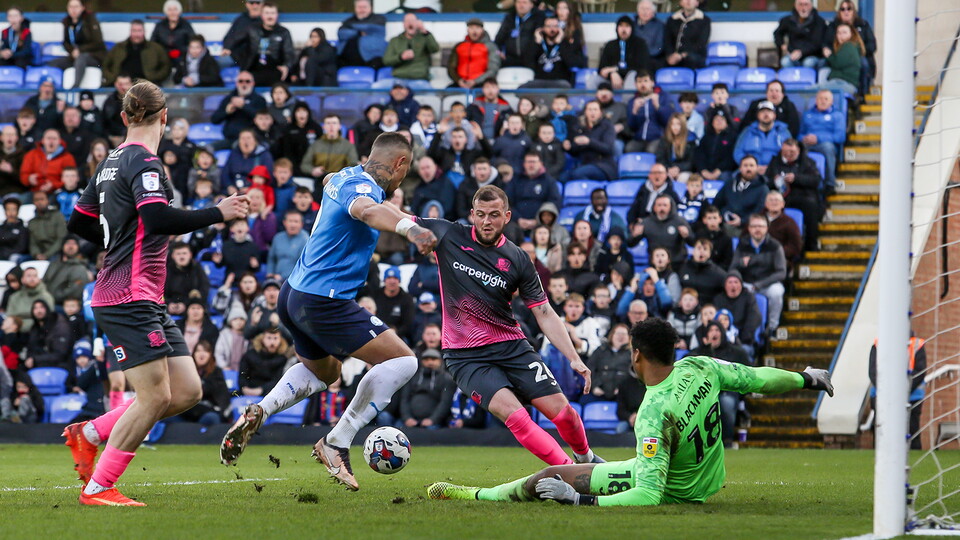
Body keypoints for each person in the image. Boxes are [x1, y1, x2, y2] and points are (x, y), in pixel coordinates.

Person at [59, 80, 250, 507]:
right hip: (127, 296)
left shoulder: (109, 162)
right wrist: (218, 212)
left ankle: (88, 434)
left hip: (143, 295)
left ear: (126, 117)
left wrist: (118, 240)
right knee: (155, 396)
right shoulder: (145, 164)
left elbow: (79, 223)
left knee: (185, 391)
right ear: (164, 117)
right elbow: (158, 218)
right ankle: (98, 487)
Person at [218, 132, 438, 492]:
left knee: (326, 372)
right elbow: (367, 210)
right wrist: (409, 229)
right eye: (406, 169)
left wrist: (406, 215)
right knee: (404, 361)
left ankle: (261, 411)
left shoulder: (343, 176)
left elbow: (331, 182)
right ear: (400, 164)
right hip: (325, 301)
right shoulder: (362, 192)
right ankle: (337, 441)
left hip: (292, 295)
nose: (403, 177)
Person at [429, 317, 834, 505]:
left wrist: (579, 501)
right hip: (703, 476)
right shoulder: (700, 366)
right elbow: (759, 379)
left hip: (677, 490)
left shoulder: (653, 411)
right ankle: (600, 467)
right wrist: (807, 378)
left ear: (637, 355)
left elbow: (649, 494)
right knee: (608, 468)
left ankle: (471, 493)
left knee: (548, 479)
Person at [415, 185, 602, 464]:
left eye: (493, 215)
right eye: (480, 215)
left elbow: (545, 313)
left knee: (564, 414)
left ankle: (586, 459)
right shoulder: (448, 234)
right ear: (472, 214)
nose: (486, 222)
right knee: (517, 417)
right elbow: (396, 216)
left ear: (507, 216)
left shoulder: (518, 259)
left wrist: (573, 357)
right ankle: (569, 472)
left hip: (511, 346)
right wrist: (356, 197)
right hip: (465, 356)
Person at [868, 335, 925, 450]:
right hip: (882, 395)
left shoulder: (917, 344)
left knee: (911, 429)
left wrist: (902, 391)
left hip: (911, 396)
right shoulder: (878, 343)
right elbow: (873, 371)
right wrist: (887, 391)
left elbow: (920, 370)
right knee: (882, 430)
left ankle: (913, 457)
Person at [765, 139, 822, 252]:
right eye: (785, 152)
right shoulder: (775, 162)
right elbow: (766, 182)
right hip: (780, 197)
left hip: (802, 196)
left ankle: (811, 244)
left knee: (811, 206)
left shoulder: (807, 162)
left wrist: (796, 178)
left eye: (792, 152)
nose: (788, 155)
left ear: (798, 150)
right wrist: (775, 181)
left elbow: (815, 180)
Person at [49, 0, 107, 90]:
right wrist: (72, 51)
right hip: (75, 56)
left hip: (94, 56)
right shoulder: (66, 22)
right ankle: (53, 88)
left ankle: (75, 87)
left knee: (82, 58)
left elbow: (98, 42)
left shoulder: (90, 20)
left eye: (76, 7)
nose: (73, 10)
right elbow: (65, 42)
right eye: (71, 7)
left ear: (82, 8)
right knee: (54, 63)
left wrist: (80, 50)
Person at [102, 20, 171, 86]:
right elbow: (105, 64)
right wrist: (113, 78)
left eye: (139, 31)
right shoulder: (119, 48)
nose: (137, 34)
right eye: (134, 31)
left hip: (145, 86)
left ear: (144, 32)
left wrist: (154, 78)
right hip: (120, 85)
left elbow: (166, 66)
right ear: (130, 31)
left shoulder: (156, 48)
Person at [399, 348, 455, 429]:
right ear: (421, 361)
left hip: (435, 422)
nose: (430, 362)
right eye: (426, 359)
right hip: (410, 421)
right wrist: (407, 418)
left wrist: (432, 420)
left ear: (440, 361)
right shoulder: (413, 377)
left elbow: (445, 403)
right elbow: (404, 399)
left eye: (433, 359)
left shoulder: (446, 379)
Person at [824, 0, 877, 87]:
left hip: (861, 56)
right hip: (837, 54)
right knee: (820, 63)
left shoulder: (863, 24)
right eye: (843, 9)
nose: (846, 12)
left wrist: (855, 52)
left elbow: (872, 46)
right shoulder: (833, 26)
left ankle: (863, 92)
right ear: (839, 12)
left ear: (853, 11)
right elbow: (826, 43)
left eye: (849, 9)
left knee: (863, 63)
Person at [713, 155, 770, 234]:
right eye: (745, 165)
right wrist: (723, 214)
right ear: (740, 168)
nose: (748, 169)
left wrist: (742, 221)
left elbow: (760, 211)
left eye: (751, 165)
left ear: (757, 168)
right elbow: (717, 203)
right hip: (724, 224)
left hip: (747, 228)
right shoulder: (730, 183)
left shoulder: (763, 188)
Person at [506, 151, 561, 231]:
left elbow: (554, 203)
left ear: (540, 163)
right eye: (528, 162)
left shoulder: (549, 181)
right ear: (524, 164)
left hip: (542, 223)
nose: (531, 165)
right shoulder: (515, 180)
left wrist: (538, 220)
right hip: (517, 223)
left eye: (534, 162)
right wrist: (518, 219)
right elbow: (507, 202)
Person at [243, 2, 295, 87]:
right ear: (261, 15)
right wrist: (244, 68)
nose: (270, 16)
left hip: (275, 71)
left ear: (277, 15)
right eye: (267, 13)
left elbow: (289, 53)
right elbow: (240, 47)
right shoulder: (252, 30)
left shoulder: (284, 32)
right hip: (255, 70)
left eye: (273, 13)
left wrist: (286, 66)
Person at [523, 15, 583, 87]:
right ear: (543, 28)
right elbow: (527, 62)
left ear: (559, 28)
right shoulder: (538, 43)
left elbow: (572, 63)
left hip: (560, 82)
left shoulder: (566, 43)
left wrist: (560, 44)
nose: (552, 29)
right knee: (523, 88)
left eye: (555, 26)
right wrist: (537, 43)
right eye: (548, 26)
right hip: (540, 81)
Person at [564, 101, 617, 182]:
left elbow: (608, 148)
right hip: (584, 164)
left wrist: (589, 142)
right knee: (563, 178)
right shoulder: (580, 127)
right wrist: (568, 147)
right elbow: (575, 151)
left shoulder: (607, 126)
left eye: (595, 109)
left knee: (578, 174)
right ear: (585, 112)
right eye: (590, 109)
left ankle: (594, 192)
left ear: (600, 112)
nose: (592, 112)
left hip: (603, 166)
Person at [733, 101, 792, 171]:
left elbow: (790, 153)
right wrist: (752, 166)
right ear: (758, 115)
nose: (766, 114)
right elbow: (738, 152)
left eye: (769, 111)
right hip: (751, 170)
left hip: (776, 170)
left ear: (774, 115)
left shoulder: (783, 132)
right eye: (763, 111)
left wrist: (772, 168)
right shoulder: (747, 131)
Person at [212, 72, 268, 144]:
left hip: (252, 141)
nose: (244, 84)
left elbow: (262, 119)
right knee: (207, 149)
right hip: (230, 139)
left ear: (253, 83)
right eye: (241, 81)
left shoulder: (259, 100)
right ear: (236, 83)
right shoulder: (228, 99)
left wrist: (243, 106)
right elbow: (214, 120)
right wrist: (226, 112)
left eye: (247, 81)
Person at [301, 114, 358, 183]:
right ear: (323, 127)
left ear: (339, 126)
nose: (331, 126)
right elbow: (305, 164)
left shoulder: (348, 145)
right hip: (320, 181)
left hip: (339, 182)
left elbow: (353, 165)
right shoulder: (316, 144)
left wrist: (340, 174)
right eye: (328, 123)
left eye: (334, 123)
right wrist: (312, 170)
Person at [626, 71, 673, 153]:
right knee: (629, 149)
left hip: (658, 138)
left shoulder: (663, 97)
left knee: (651, 150)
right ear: (635, 85)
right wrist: (634, 111)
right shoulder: (632, 101)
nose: (642, 84)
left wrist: (658, 107)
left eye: (645, 81)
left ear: (652, 83)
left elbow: (668, 121)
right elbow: (631, 126)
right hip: (639, 139)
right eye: (639, 82)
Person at [599, 17, 651, 91]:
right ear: (617, 28)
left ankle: (628, 102)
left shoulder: (640, 44)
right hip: (611, 81)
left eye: (627, 26)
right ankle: (593, 102)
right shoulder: (610, 45)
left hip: (633, 79)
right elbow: (601, 69)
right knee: (593, 79)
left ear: (632, 28)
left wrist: (616, 70)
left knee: (633, 75)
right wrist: (612, 74)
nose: (624, 29)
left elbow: (641, 68)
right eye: (621, 26)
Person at [384, 13, 439, 82]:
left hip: (419, 79)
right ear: (403, 24)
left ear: (418, 23)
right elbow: (386, 61)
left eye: (412, 20)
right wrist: (401, 57)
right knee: (376, 86)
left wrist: (424, 31)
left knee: (429, 91)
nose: (410, 23)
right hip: (398, 79)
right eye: (407, 21)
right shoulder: (395, 40)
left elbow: (435, 49)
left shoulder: (425, 37)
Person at [449, 18, 500, 90]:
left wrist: (475, 81)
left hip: (482, 85)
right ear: (467, 30)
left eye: (477, 28)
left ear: (482, 30)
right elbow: (451, 67)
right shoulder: (459, 46)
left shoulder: (491, 47)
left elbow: (493, 69)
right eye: (471, 28)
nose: (474, 31)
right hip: (460, 84)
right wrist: (459, 80)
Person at [773, 0, 827, 69]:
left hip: (812, 55)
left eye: (806, 4)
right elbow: (777, 33)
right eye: (800, 4)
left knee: (808, 63)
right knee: (785, 61)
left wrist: (801, 52)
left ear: (811, 6)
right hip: (793, 55)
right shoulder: (788, 20)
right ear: (795, 6)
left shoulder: (819, 22)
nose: (803, 8)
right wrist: (782, 44)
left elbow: (817, 43)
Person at [21, 129, 77, 194]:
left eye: (54, 139)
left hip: (58, 192)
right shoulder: (31, 155)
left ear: (59, 141)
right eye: (48, 138)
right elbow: (23, 174)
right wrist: (29, 179)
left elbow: (71, 178)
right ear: (43, 140)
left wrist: (54, 185)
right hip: (35, 191)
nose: (51, 141)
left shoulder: (67, 158)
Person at [494, 0, 546, 68]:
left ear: (531, 5)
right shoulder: (509, 18)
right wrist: (498, 51)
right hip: (510, 60)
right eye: (518, 2)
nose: (521, 5)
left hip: (532, 61)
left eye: (524, 2)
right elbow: (499, 39)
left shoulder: (538, 18)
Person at [337, 0, 386, 69]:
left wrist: (352, 27)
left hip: (371, 57)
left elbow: (371, 28)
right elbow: (341, 33)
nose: (362, 10)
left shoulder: (379, 19)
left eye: (364, 7)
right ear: (355, 8)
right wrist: (358, 32)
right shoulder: (349, 20)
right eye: (359, 7)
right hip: (347, 58)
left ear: (371, 8)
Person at [820, 22, 864, 96]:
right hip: (840, 83)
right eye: (839, 33)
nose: (841, 36)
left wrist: (829, 55)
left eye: (844, 32)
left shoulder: (848, 46)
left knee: (813, 90)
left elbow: (837, 63)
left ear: (852, 34)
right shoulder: (846, 47)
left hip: (844, 83)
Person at [664, 0, 710, 70]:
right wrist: (670, 55)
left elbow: (701, 43)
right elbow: (667, 40)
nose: (688, 1)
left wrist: (683, 55)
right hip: (674, 56)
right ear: (680, 2)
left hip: (695, 56)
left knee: (690, 60)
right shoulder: (672, 20)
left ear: (697, 3)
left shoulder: (704, 20)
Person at [763, 191, 803, 270]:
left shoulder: (789, 222)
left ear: (783, 204)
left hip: (780, 257)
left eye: (777, 200)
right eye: (771, 200)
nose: (774, 202)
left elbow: (795, 246)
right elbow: (745, 238)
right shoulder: (756, 220)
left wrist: (777, 252)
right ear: (765, 204)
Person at [694, 109, 737, 182]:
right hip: (705, 171)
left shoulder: (732, 137)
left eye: (722, 119)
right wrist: (703, 170)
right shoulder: (706, 137)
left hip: (723, 172)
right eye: (716, 119)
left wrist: (718, 170)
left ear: (726, 123)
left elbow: (731, 158)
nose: (719, 122)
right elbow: (699, 155)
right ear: (712, 123)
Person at [220, 0, 261, 67]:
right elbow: (230, 36)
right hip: (236, 56)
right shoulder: (240, 19)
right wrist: (227, 48)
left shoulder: (265, 20)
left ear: (262, 5)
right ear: (247, 4)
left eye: (258, 3)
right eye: (252, 3)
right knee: (216, 64)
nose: (255, 5)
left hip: (256, 57)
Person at [634, 0, 665, 70]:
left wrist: (643, 55)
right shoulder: (632, 25)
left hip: (652, 60)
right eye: (642, 9)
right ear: (638, 11)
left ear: (653, 12)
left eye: (647, 9)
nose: (644, 12)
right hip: (634, 60)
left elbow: (659, 47)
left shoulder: (660, 26)